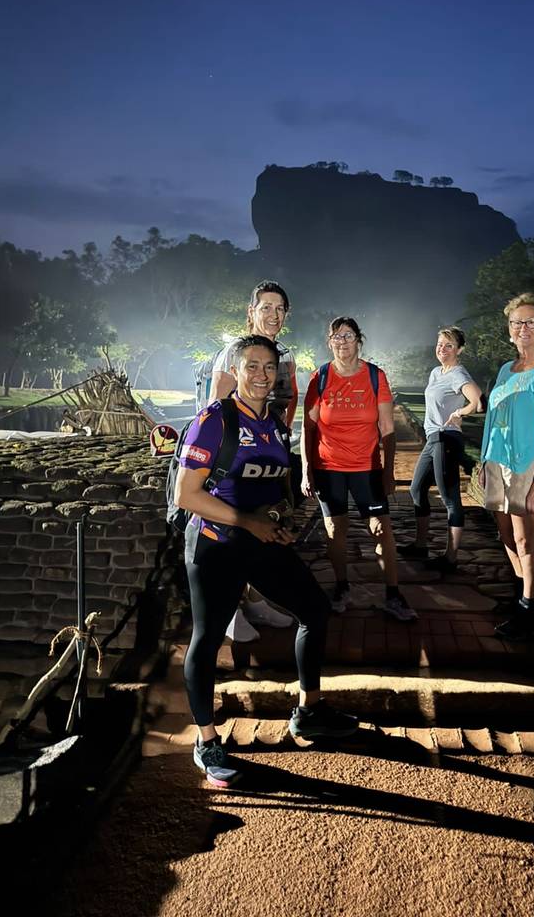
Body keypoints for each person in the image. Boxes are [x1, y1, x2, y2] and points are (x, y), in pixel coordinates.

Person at [175, 334, 358, 786]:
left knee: (314, 609)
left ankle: (309, 711)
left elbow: (278, 486)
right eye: (251, 366)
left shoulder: (275, 423)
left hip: (259, 541)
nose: (261, 375)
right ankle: (206, 740)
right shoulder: (213, 421)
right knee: (207, 637)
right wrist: (247, 521)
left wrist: (276, 516)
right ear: (235, 371)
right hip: (215, 545)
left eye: (268, 367)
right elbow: (186, 494)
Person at [301, 317, 417, 622]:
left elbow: (388, 429)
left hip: (366, 468)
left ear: (359, 340)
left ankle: (393, 594)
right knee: (335, 530)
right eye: (336, 337)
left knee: (382, 529)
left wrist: (388, 471)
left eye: (348, 336)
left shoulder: (375, 377)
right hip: (328, 467)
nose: (342, 342)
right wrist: (306, 470)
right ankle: (341, 588)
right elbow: (308, 428)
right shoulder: (321, 377)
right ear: (330, 342)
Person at [209, 281, 298, 641]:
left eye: (280, 309)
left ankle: (256, 600)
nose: (273, 315)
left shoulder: (286, 356)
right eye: (266, 308)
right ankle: (229, 612)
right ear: (251, 312)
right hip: (234, 457)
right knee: (230, 534)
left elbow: (288, 402)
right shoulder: (235, 351)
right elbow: (215, 405)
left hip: (268, 457)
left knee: (262, 529)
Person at [479, 294, 534, 641]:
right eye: (518, 323)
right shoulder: (507, 370)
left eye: (531, 321)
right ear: (510, 329)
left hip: (530, 466)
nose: (524, 328)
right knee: (506, 534)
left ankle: (531, 612)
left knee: (527, 540)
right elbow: (494, 417)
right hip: (498, 462)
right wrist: (486, 460)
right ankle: (524, 595)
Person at [398, 326, 482, 573]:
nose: (442, 349)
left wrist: (460, 412)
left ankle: (451, 558)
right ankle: (421, 545)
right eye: (440, 344)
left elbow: (477, 400)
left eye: (449, 345)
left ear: (459, 350)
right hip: (433, 438)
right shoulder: (436, 372)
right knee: (417, 488)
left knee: (450, 498)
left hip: (447, 439)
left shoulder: (457, 373)